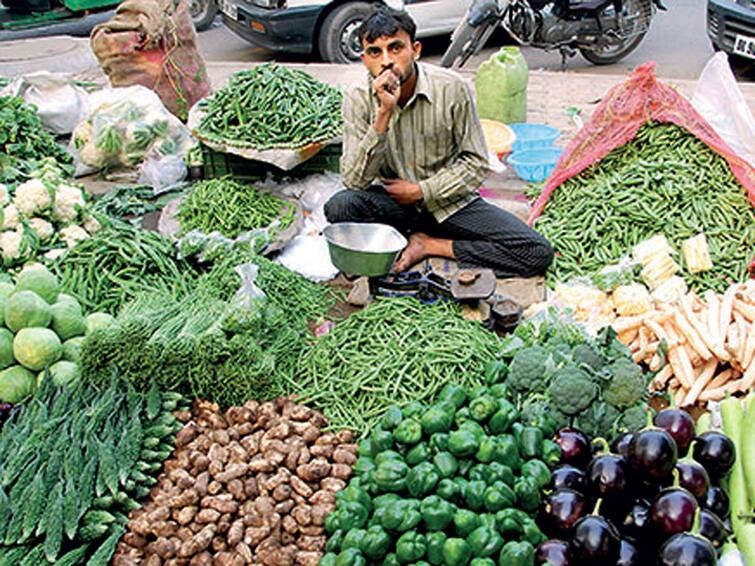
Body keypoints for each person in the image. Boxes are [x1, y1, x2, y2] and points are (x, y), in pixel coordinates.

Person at [324, 6, 554, 278]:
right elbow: (354, 181)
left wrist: (422, 190)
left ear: (416, 50)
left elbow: (477, 162)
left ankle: (429, 244)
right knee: (340, 206)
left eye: (396, 48)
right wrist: (383, 115)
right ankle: (402, 237)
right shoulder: (358, 98)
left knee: (536, 252)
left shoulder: (451, 88)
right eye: (375, 52)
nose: (386, 61)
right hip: (396, 207)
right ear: (365, 60)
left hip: (449, 203)